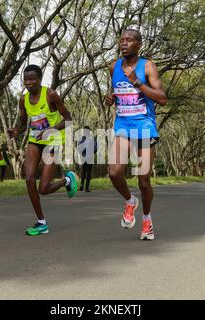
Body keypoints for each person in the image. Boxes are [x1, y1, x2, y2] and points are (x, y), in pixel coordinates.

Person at [105, 29, 167, 241]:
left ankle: (147, 219)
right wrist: (111, 98)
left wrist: (138, 82)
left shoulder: (147, 66)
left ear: (139, 44)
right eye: (122, 40)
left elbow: (162, 98)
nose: (124, 43)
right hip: (123, 125)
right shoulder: (113, 67)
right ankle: (130, 201)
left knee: (143, 181)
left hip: (144, 127)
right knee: (114, 172)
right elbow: (118, 92)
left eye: (129, 40)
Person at [8, 64, 78, 236]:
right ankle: (41, 223)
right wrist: (16, 131)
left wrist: (50, 129)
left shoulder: (50, 95)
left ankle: (67, 181)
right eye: (26, 79)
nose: (29, 83)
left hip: (52, 140)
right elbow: (24, 124)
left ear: (39, 80)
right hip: (35, 140)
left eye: (32, 79)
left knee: (44, 189)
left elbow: (68, 120)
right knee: (29, 179)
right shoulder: (23, 100)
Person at [78, 126, 97, 192]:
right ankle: (86, 188)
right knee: (88, 172)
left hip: (84, 156)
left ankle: (82, 186)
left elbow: (79, 148)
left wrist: (83, 152)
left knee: (83, 171)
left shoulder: (81, 139)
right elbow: (95, 148)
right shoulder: (92, 139)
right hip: (89, 156)